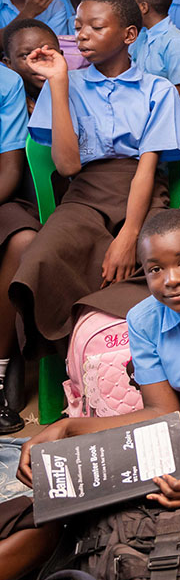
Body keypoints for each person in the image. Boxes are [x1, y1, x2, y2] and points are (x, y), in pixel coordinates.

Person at [0, 210, 180, 580]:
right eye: (155, 270)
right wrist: (68, 428)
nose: (171, 280)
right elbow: (161, 412)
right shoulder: (143, 318)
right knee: (60, 503)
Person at [9, 0, 180, 354]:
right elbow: (68, 166)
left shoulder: (158, 90)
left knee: (155, 257)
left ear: (129, 35)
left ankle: (114, 344)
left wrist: (128, 236)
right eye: (77, 27)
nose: (82, 35)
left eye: (96, 26)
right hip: (85, 196)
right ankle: (68, 354)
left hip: (144, 191)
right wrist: (59, 84)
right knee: (41, 258)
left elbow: (147, 171)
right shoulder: (67, 85)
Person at [0, 22, 51, 433]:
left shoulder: (5, 84)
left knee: (24, 240)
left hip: (2, 194)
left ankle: (2, 367)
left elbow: (11, 169)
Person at [128, 0, 180, 89]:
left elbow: (179, 91)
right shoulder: (141, 36)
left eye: (131, 4)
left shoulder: (175, 42)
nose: (127, 9)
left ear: (143, 7)